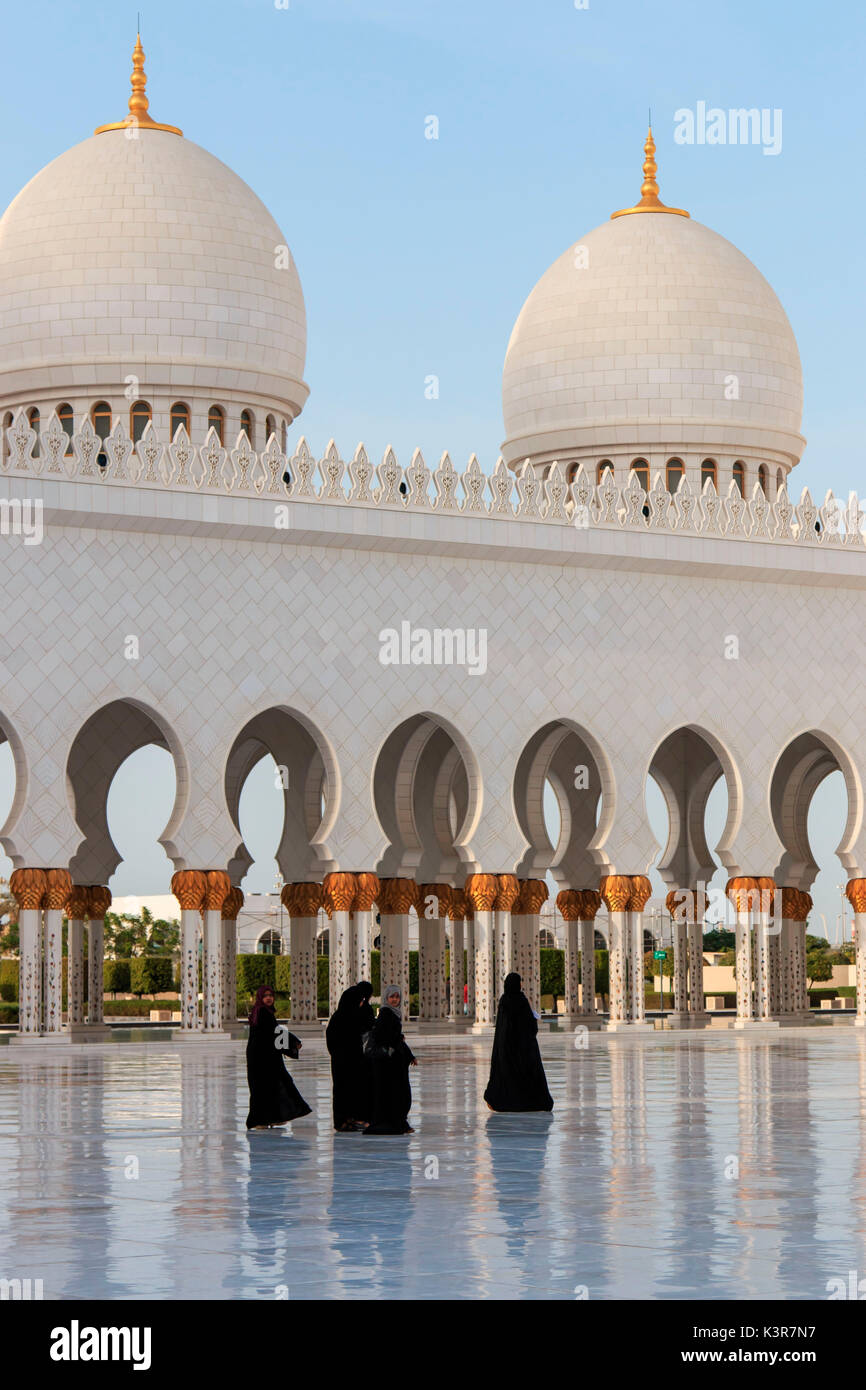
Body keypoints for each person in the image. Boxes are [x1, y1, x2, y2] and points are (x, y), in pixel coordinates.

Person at [484, 972, 553, 1113]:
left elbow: (501, 1029)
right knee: (526, 1075)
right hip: (523, 1049)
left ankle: (503, 1101)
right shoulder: (522, 1001)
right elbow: (530, 1027)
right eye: (520, 982)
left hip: (507, 1048)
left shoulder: (503, 1001)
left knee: (506, 1074)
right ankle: (528, 1103)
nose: (521, 984)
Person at [245, 984, 312, 1130]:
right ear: (260, 998)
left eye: (270, 995)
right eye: (265, 996)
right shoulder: (263, 1012)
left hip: (264, 1055)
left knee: (269, 1086)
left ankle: (272, 1117)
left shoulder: (261, 1011)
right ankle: (260, 1120)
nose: (269, 998)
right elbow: (275, 1032)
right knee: (267, 1086)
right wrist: (294, 1042)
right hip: (262, 1057)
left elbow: (274, 1033)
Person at [363, 985, 417, 1135]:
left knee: (398, 1094)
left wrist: (409, 1055)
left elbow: (395, 1038)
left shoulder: (394, 1013)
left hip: (393, 1063)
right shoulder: (386, 1014)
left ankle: (399, 1123)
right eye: (392, 997)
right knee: (394, 1094)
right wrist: (398, 1039)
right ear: (386, 998)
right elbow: (384, 1037)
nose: (395, 1000)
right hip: (387, 1064)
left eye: (397, 997)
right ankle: (394, 1124)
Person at [326, 981, 375, 1132]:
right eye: (359, 1000)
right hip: (343, 1062)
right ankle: (342, 1121)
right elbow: (332, 1039)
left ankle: (351, 1119)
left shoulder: (352, 1016)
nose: (362, 1003)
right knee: (342, 1091)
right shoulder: (340, 1018)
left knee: (353, 1090)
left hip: (353, 1060)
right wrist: (341, 1054)